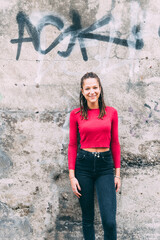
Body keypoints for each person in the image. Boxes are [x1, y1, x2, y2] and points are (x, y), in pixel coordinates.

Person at [68, 72, 121, 240]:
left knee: (109, 221)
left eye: (95, 87)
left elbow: (115, 143)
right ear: (82, 91)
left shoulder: (111, 113)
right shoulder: (76, 114)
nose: (92, 91)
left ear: (100, 89)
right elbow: (72, 145)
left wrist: (117, 174)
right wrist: (72, 177)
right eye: (88, 88)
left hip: (105, 166)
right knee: (88, 219)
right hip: (83, 166)